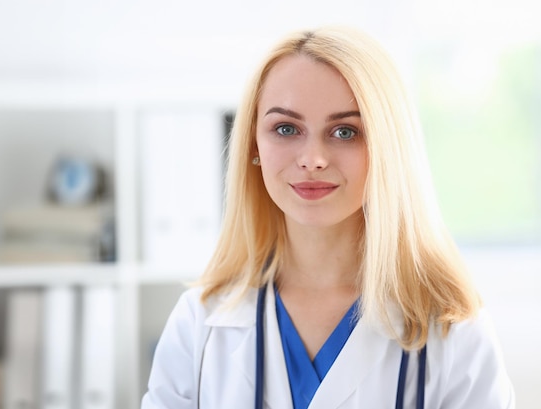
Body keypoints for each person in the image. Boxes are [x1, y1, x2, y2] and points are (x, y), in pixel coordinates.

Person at [141, 26, 515, 409]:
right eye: (286, 129)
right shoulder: (198, 326)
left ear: (387, 148)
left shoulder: (454, 334)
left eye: (345, 131)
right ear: (254, 144)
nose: (313, 159)